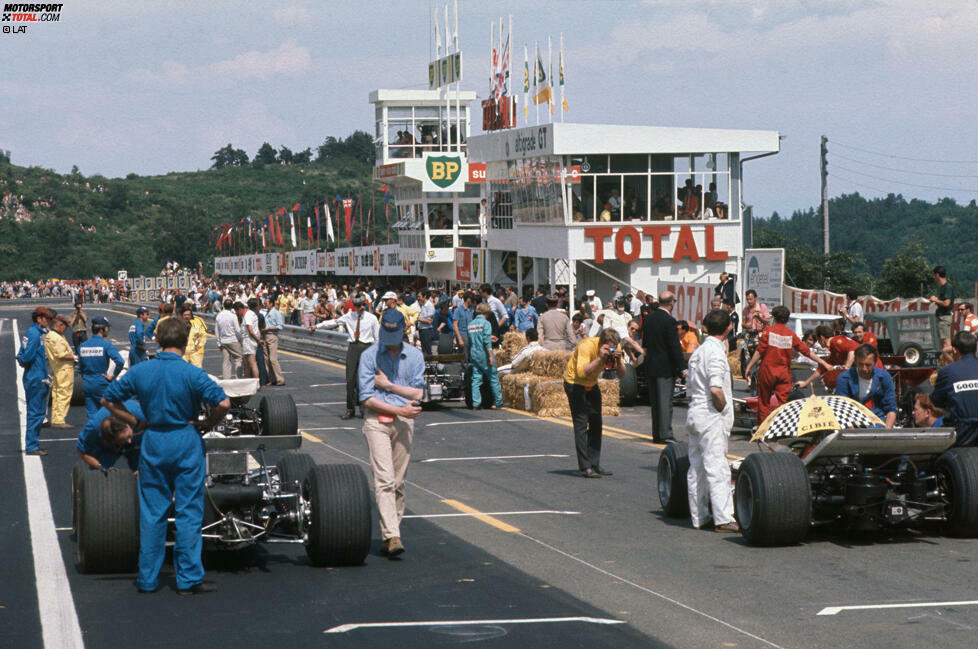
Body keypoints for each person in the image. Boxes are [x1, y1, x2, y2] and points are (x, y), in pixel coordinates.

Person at [103, 317, 229, 594]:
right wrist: (209, 424)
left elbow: (107, 399)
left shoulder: (141, 371)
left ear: (158, 341)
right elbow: (223, 403)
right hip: (185, 439)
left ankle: (147, 579)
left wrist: (135, 422)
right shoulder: (192, 373)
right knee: (188, 512)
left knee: (152, 513)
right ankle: (189, 578)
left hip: (154, 439)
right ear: (185, 343)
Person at [356, 309, 425, 557]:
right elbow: (366, 398)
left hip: (405, 420)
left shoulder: (415, 356)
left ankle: (391, 529)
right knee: (384, 479)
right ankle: (392, 535)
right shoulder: (368, 356)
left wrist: (389, 386)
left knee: (398, 482)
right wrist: (398, 407)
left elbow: (418, 394)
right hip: (378, 420)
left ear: (404, 329)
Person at [685, 309, 738, 532]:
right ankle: (724, 519)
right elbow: (716, 389)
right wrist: (724, 408)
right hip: (710, 414)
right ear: (728, 329)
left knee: (696, 468)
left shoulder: (698, 352)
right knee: (717, 467)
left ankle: (699, 517)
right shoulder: (716, 353)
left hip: (695, 411)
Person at [745, 306, 833, 424]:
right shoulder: (790, 334)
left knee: (764, 402)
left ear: (774, 318)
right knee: (784, 403)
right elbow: (807, 352)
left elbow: (759, 351)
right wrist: (823, 363)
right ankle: (782, 427)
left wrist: (749, 366)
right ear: (787, 320)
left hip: (767, 372)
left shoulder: (768, 331)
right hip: (784, 373)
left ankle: (762, 431)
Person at [563, 328, 625, 478]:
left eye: (613, 347)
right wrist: (599, 358)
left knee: (597, 422)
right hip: (575, 382)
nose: (610, 350)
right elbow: (582, 372)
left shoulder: (615, 347)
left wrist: (618, 360)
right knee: (581, 423)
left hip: (592, 383)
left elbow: (621, 375)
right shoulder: (587, 345)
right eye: (608, 347)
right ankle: (585, 467)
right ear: (601, 343)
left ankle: (594, 463)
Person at [318, 295, 379, 420]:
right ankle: (350, 409)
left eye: (363, 305)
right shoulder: (349, 316)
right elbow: (333, 322)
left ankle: (364, 408)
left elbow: (377, 337)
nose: (361, 308)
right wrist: (317, 327)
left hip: (367, 348)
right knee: (350, 380)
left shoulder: (372, 318)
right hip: (353, 347)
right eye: (358, 306)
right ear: (354, 307)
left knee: (365, 380)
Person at [642, 291, 684, 443]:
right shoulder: (670, 321)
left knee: (655, 403)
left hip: (651, 365)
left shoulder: (648, 319)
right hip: (665, 367)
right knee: (665, 403)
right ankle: (666, 434)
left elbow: (645, 343)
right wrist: (682, 367)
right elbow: (674, 347)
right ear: (671, 302)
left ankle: (657, 434)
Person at [833, 344, 897, 428]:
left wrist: (886, 433)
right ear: (855, 361)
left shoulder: (884, 377)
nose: (864, 368)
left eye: (868, 365)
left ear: (875, 362)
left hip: (878, 422)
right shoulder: (844, 378)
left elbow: (891, 409)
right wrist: (853, 435)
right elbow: (842, 408)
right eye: (860, 364)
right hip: (852, 421)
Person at [932, 331, 978, 446]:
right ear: (976, 349)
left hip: (963, 433)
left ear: (954, 350)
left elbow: (936, 401)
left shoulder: (946, 372)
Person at [18, 306, 53, 455]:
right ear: (40, 319)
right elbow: (25, 357)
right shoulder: (34, 335)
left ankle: (34, 444)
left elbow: (20, 354)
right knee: (36, 413)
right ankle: (32, 446)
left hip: (36, 377)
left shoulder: (33, 333)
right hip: (36, 378)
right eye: (47, 319)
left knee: (37, 413)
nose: (49, 322)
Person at [76, 400, 145, 472]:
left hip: (138, 441)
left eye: (128, 437)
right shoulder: (93, 429)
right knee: (99, 474)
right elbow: (81, 451)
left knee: (143, 472)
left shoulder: (142, 415)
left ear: (127, 425)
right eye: (120, 440)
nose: (129, 441)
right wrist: (99, 466)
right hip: (110, 448)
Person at [78, 316, 125, 419]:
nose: (108, 330)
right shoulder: (106, 345)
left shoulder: (82, 346)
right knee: (107, 413)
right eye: (107, 328)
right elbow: (120, 362)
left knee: (91, 415)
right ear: (101, 329)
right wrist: (113, 376)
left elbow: (80, 368)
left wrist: (87, 378)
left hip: (87, 383)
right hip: (101, 382)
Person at [467, 303, 504, 409]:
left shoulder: (471, 324)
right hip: (484, 354)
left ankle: (476, 403)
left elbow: (472, 340)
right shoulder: (486, 323)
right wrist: (491, 356)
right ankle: (498, 401)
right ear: (486, 313)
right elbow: (486, 341)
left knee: (476, 379)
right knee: (493, 378)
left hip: (474, 353)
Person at [44, 314, 76, 429]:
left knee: (57, 394)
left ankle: (56, 418)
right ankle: (59, 420)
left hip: (58, 368)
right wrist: (76, 357)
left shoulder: (53, 335)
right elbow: (61, 355)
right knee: (64, 394)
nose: (65, 329)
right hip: (64, 368)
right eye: (65, 327)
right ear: (60, 325)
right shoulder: (55, 337)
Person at [215, 299, 243, 380]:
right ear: (232, 307)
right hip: (233, 340)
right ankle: (239, 378)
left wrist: (218, 343)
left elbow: (217, 331)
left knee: (226, 361)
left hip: (223, 341)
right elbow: (237, 330)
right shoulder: (233, 316)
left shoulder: (219, 315)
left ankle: (226, 379)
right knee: (238, 359)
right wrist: (241, 340)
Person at [929, 266, 954, 352]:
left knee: (946, 343)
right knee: (942, 342)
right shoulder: (942, 287)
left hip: (944, 317)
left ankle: (950, 363)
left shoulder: (947, 287)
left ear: (937, 275)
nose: (934, 277)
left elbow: (946, 303)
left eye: (934, 275)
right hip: (941, 317)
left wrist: (935, 300)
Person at [262, 296, 286, 386]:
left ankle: (280, 379)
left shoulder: (276, 313)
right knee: (266, 359)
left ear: (271, 303)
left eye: (267, 303)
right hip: (265, 336)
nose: (265, 305)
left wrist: (269, 328)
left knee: (272, 359)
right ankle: (272, 379)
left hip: (272, 335)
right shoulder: (267, 313)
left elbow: (280, 326)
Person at [239, 301, 260, 380]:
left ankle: (255, 382)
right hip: (252, 341)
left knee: (251, 363)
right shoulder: (253, 314)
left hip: (248, 340)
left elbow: (250, 330)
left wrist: (257, 340)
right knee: (248, 363)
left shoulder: (247, 315)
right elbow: (257, 329)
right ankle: (251, 381)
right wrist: (258, 339)